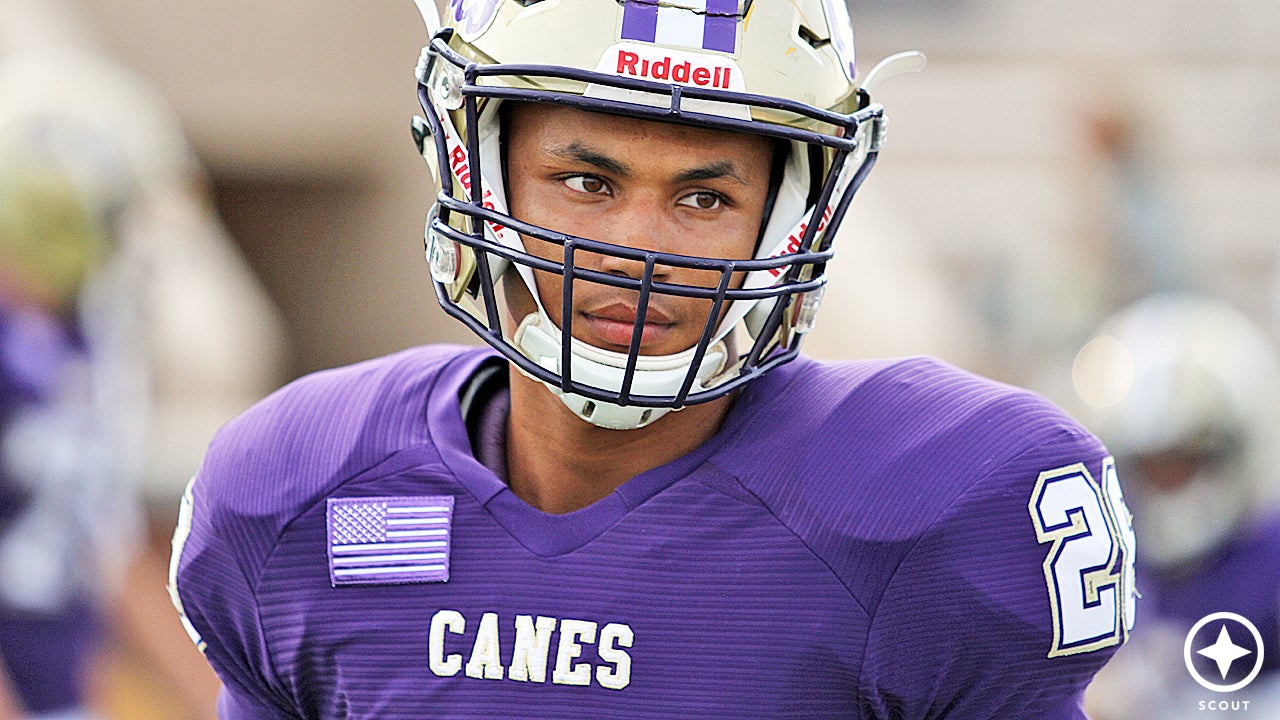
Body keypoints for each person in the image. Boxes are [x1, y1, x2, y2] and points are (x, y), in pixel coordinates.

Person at [169, 0, 1135, 717]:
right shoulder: (298, 489)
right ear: (474, 169)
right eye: (587, 181)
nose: (643, 249)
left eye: (705, 198)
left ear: (788, 217)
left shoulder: (929, 506)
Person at [1072, 293, 1280, 719]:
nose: (1165, 486)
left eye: (1183, 463)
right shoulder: (1106, 565)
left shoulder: (1269, 560)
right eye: (1150, 467)